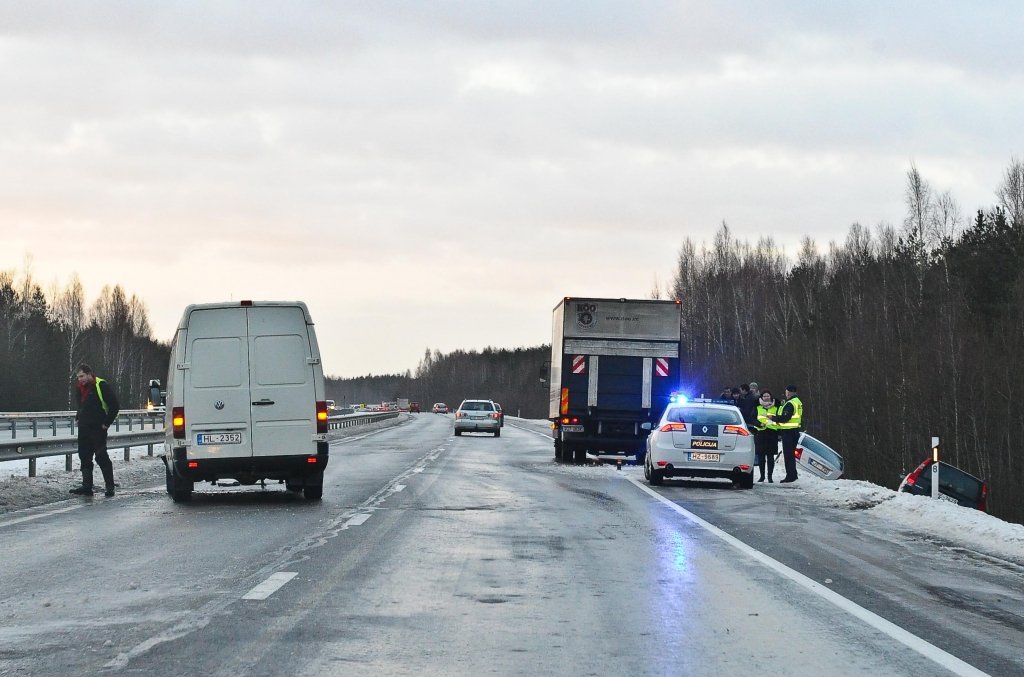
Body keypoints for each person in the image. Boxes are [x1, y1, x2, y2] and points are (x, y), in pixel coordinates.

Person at [69, 363, 120, 497]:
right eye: (78, 377)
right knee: (84, 456)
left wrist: (106, 424)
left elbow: (114, 406)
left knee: (101, 456)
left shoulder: (101, 385)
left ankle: (110, 486)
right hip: (84, 428)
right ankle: (87, 487)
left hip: (98, 428)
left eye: (82, 376)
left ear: (90, 374)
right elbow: (82, 406)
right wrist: (78, 417)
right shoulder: (79, 389)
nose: (80, 379)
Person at [770, 384, 803, 483]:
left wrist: (773, 418)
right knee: (790, 454)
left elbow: (785, 418)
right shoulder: (797, 402)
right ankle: (793, 474)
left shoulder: (790, 404)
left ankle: (791, 476)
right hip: (794, 430)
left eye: (786, 392)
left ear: (788, 392)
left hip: (789, 432)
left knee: (788, 455)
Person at [753, 390, 779, 482]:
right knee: (761, 457)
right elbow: (753, 419)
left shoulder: (776, 407)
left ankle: (770, 477)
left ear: (771, 397)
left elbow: (779, 419)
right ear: (761, 398)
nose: (766, 397)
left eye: (768, 396)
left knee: (770, 457)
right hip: (761, 434)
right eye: (764, 396)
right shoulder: (757, 407)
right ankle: (762, 476)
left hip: (772, 434)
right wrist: (759, 424)